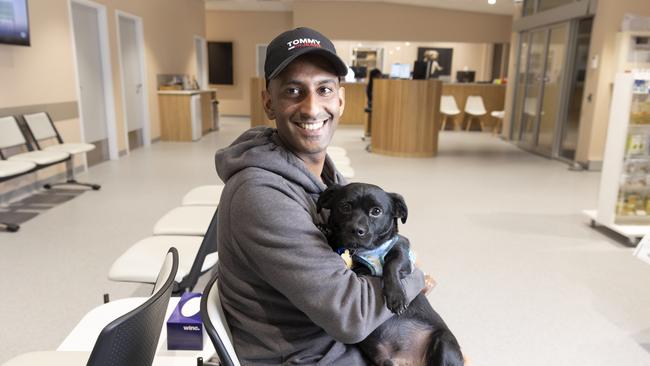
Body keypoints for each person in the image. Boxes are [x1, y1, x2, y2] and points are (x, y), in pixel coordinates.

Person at [214, 27, 425, 365]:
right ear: (268, 102)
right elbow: (351, 316)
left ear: (340, 100)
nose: (312, 108)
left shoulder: (325, 176)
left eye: (324, 89)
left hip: (333, 341)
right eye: (293, 91)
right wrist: (414, 277)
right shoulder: (261, 195)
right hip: (308, 356)